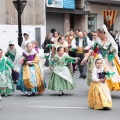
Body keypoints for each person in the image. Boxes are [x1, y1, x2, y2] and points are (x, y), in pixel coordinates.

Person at [81, 25, 120, 91]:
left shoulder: (109, 40)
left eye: (98, 33)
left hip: (108, 59)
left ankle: (107, 86)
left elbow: (115, 49)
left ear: (102, 33)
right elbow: (92, 50)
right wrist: (85, 58)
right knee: (99, 71)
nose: (97, 35)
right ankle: (101, 86)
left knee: (109, 72)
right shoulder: (97, 41)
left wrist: (111, 52)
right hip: (99, 58)